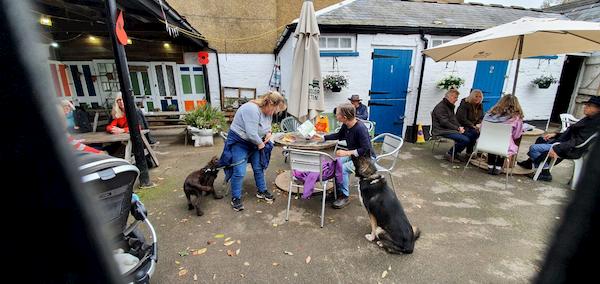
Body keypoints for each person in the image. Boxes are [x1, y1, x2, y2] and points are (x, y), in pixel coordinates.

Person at [218, 91, 287, 211]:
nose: (276, 112)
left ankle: (262, 190)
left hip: (255, 141)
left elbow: (268, 127)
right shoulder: (251, 109)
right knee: (239, 171)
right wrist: (261, 144)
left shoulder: (268, 112)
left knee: (258, 167)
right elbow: (251, 133)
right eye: (276, 109)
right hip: (240, 142)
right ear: (270, 104)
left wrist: (268, 133)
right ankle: (236, 197)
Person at [518, 96, 600, 181]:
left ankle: (545, 172)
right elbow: (570, 133)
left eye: (589, 105)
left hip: (569, 149)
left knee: (534, 148)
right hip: (564, 143)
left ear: (598, 109)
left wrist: (557, 148)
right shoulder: (588, 119)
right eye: (586, 104)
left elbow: (577, 141)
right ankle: (530, 162)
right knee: (541, 139)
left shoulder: (593, 124)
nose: (585, 107)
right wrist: (555, 134)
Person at [314, 103, 375, 209]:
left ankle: (344, 196)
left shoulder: (360, 128)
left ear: (344, 117)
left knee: (342, 169)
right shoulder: (346, 125)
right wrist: (323, 138)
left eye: (337, 114)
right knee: (335, 163)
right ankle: (337, 191)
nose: (335, 116)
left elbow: (366, 149)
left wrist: (346, 153)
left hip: (366, 159)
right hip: (355, 156)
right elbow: (339, 135)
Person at [431, 89, 478, 162]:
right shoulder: (441, 107)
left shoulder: (449, 106)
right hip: (441, 130)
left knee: (472, 134)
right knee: (465, 139)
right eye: (455, 97)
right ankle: (450, 154)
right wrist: (457, 128)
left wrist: (460, 127)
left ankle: (459, 153)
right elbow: (444, 122)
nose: (456, 99)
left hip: (449, 129)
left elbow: (454, 120)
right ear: (449, 96)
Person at [482, 95, 524, 175]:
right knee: (505, 142)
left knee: (493, 141)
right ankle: (498, 167)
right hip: (503, 146)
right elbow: (516, 135)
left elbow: (482, 129)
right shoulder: (516, 118)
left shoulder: (489, 114)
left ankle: (490, 166)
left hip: (485, 143)